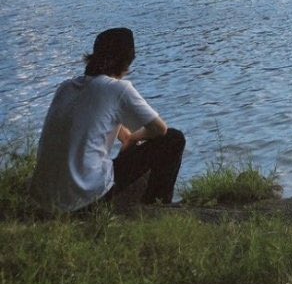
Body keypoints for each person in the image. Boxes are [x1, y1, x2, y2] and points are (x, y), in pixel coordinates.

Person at [30, 27, 185, 212]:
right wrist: (132, 139)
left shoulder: (65, 88)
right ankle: (156, 208)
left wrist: (125, 135)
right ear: (128, 61)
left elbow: (93, 118)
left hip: (45, 200)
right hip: (85, 199)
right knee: (173, 139)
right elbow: (159, 129)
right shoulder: (117, 89)